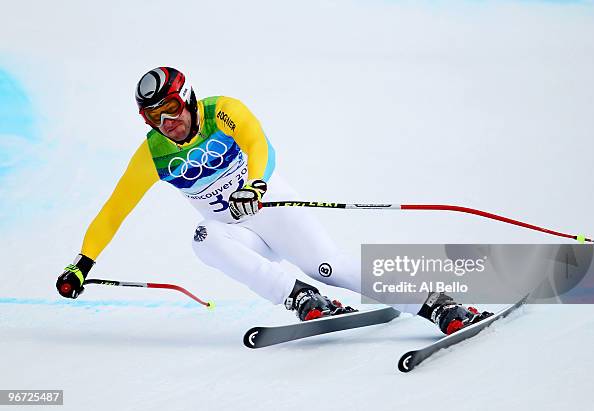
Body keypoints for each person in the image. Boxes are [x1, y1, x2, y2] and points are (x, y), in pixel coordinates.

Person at [55, 66, 491, 334]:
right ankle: (301, 298)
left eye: (171, 108)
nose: (167, 122)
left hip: (271, 207)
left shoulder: (222, 110)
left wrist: (256, 185)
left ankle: (437, 304)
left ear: (186, 96)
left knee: (330, 267)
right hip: (234, 231)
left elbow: (260, 144)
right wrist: (82, 263)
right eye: (154, 117)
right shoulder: (153, 153)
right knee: (203, 238)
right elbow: (114, 210)